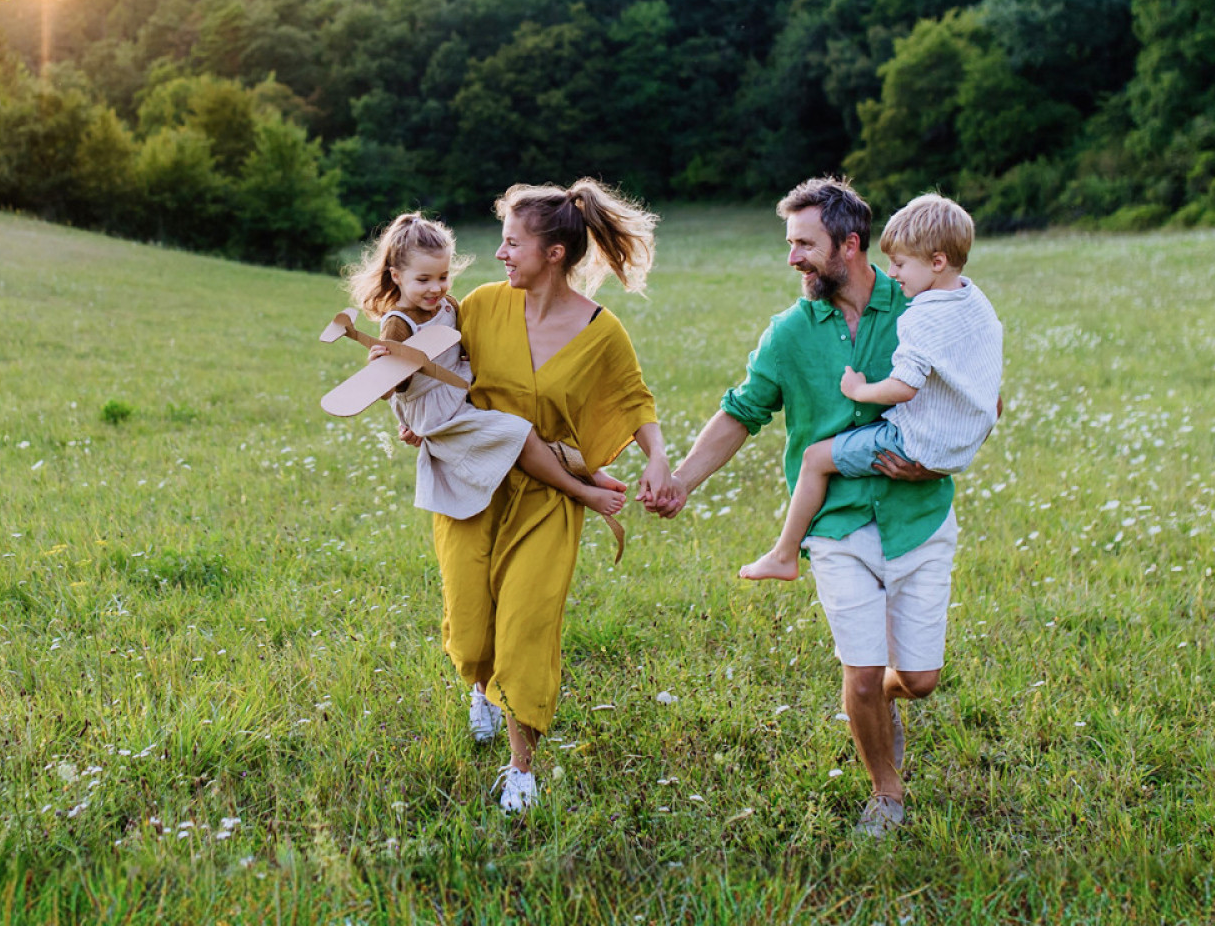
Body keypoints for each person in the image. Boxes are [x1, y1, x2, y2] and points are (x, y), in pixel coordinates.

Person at [646, 177, 961, 837]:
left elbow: (974, 396)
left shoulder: (921, 309)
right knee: (864, 672)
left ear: (849, 244)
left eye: (804, 244)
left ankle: (874, 703)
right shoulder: (790, 333)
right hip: (836, 526)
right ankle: (888, 794)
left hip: (920, 515)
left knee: (921, 679)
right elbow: (741, 412)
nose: (792, 258)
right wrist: (681, 480)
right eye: (790, 244)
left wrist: (936, 461)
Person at [405, 180, 674, 813]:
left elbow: (635, 401)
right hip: (469, 482)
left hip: (549, 495)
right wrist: (410, 413)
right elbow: (429, 366)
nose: (500, 254)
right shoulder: (478, 307)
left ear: (553, 253)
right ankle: (481, 686)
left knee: (527, 625)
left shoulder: (601, 332)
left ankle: (522, 768)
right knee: (472, 635)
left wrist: (658, 456)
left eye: (512, 243)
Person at [740, 194, 1002, 582]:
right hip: (950, 446)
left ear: (937, 262)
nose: (894, 273)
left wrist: (860, 391)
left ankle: (784, 553)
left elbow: (905, 388)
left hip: (915, 463)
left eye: (900, 264)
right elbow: (990, 399)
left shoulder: (916, 315)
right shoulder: (974, 303)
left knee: (815, 459)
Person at [344, 212, 630, 528]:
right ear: (396, 276)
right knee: (518, 434)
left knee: (523, 418)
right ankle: (581, 491)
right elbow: (387, 389)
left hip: (460, 392)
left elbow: (468, 345)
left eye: (443, 276)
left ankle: (586, 468)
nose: (435, 288)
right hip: (438, 414)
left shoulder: (447, 305)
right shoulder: (399, 324)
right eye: (423, 280)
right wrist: (380, 369)